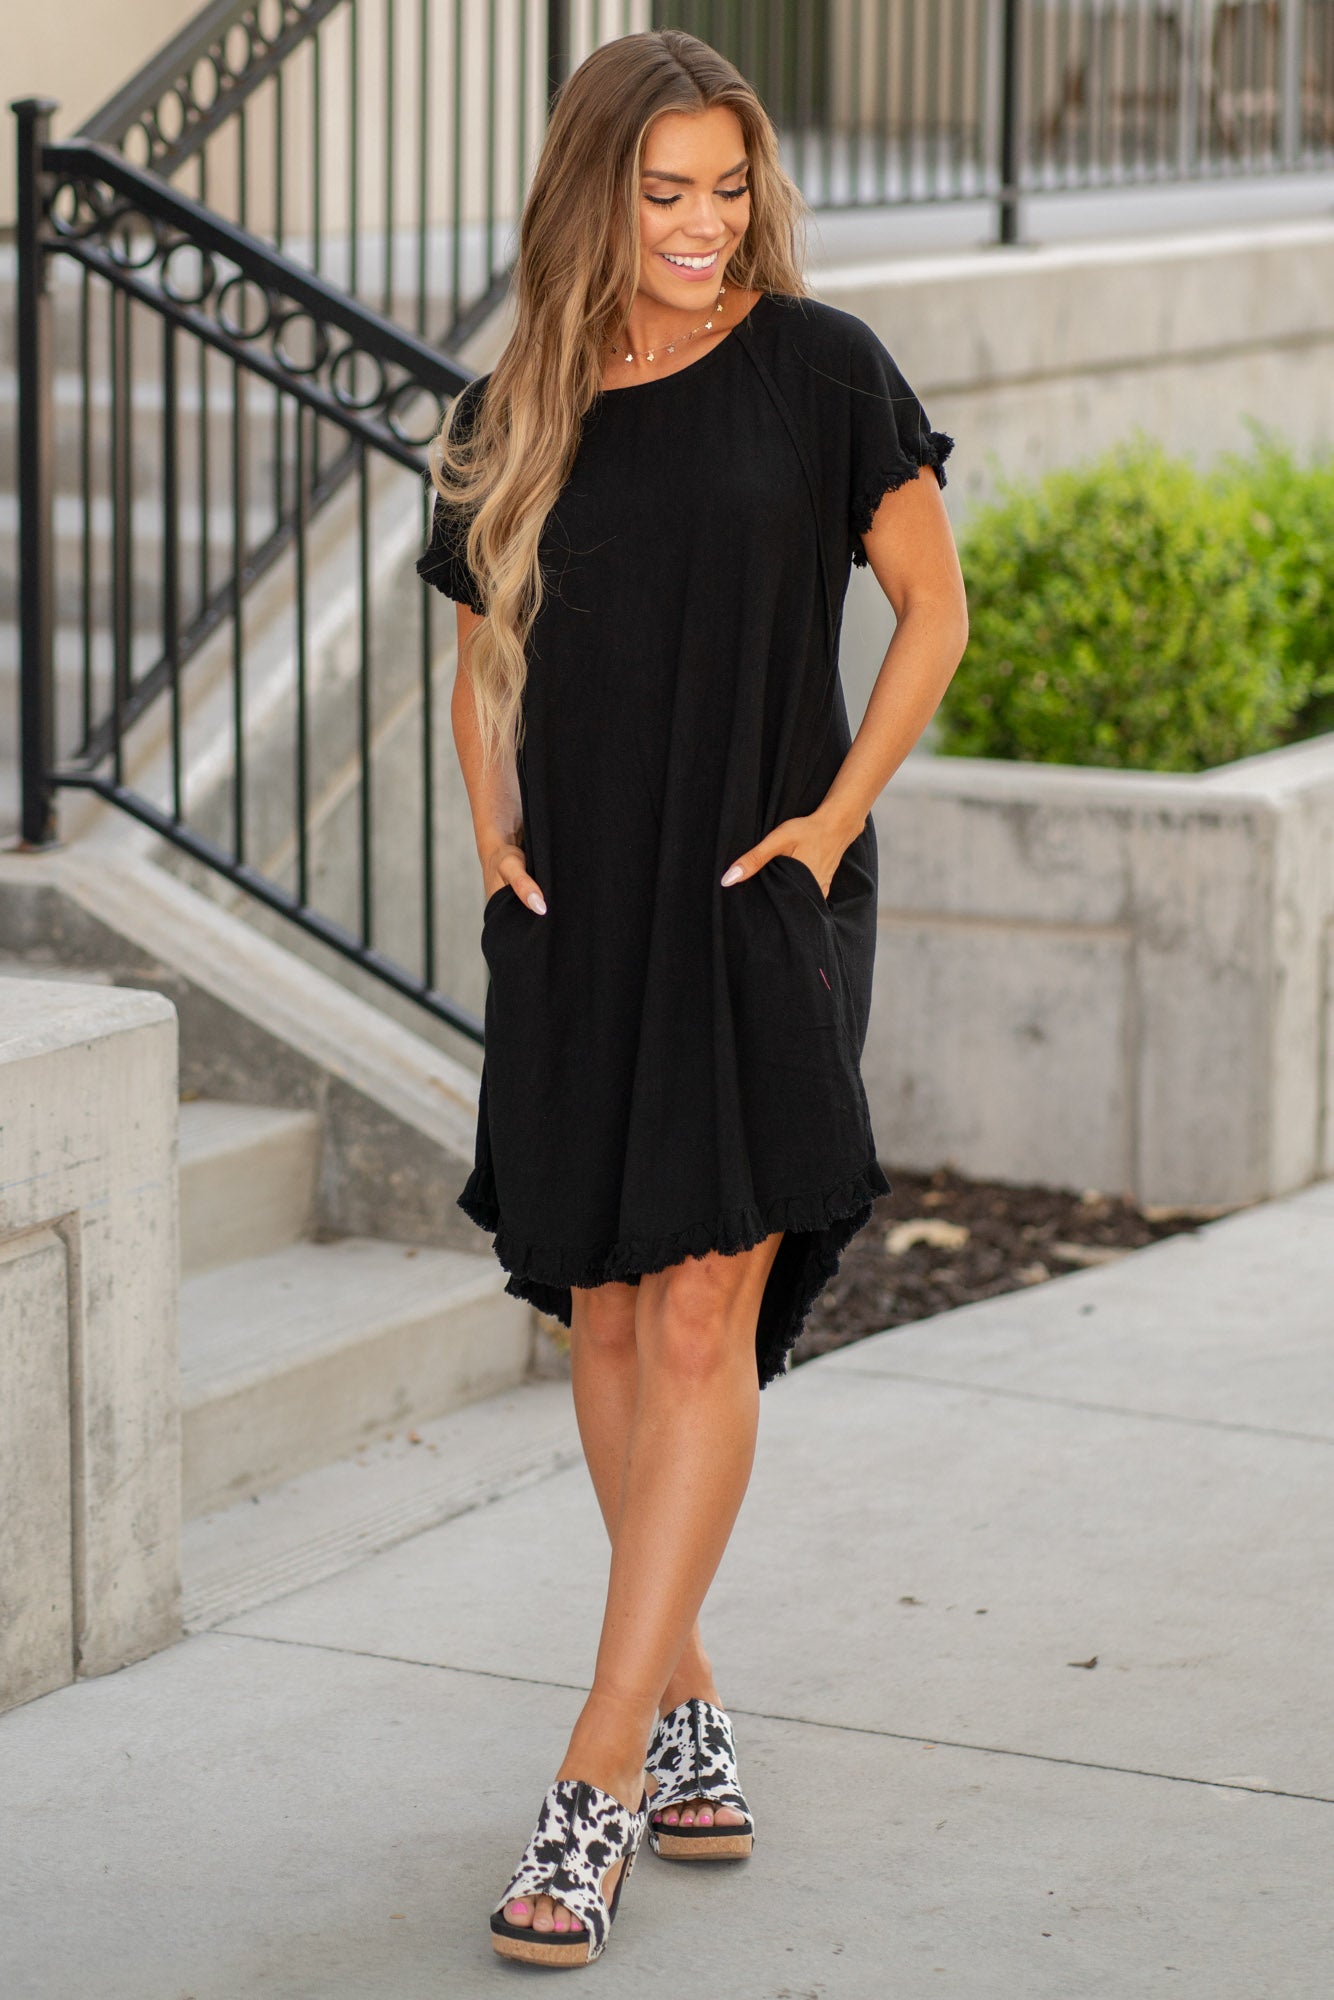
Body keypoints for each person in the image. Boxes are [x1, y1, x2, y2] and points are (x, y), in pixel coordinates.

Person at [417, 27, 967, 1970]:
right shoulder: (514, 408)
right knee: (607, 1296)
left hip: (756, 895)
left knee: (704, 1301)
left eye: (729, 189)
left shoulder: (821, 370)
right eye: (665, 193)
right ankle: (684, 1700)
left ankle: (594, 1778)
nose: (704, 225)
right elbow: (479, 659)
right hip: (582, 905)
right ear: (594, 196)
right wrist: (491, 831)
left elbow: (932, 607)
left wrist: (830, 819)